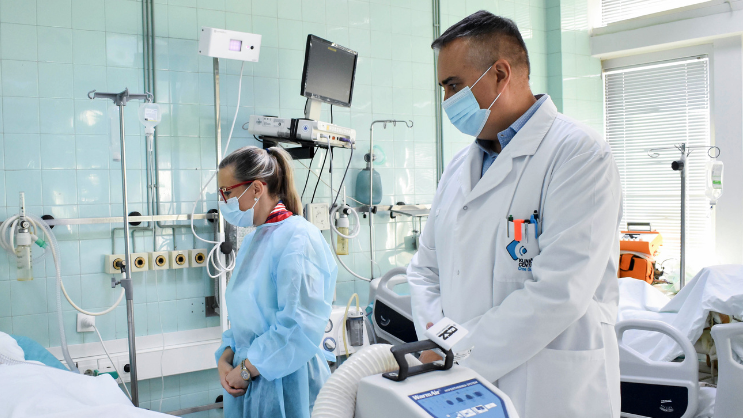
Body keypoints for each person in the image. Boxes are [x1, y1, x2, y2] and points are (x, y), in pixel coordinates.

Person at [407, 10, 622, 418]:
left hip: (549, 391)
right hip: (462, 389)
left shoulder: (579, 154)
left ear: (500, 74)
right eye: (444, 88)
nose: (447, 101)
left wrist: (459, 351)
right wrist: (442, 343)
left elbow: (560, 291)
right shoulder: (458, 168)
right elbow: (424, 271)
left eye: (453, 85)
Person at [214, 146, 338, 418]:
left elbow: (298, 326)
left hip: (287, 382)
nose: (224, 201)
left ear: (257, 188)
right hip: (248, 378)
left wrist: (246, 369)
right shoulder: (254, 240)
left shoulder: (299, 239)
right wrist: (226, 357)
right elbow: (246, 321)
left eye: (227, 192)